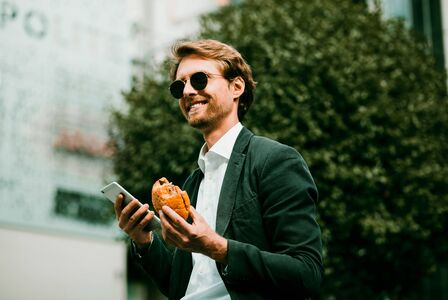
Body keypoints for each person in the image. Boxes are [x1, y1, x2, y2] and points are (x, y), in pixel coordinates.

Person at [114, 39, 323, 300]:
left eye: (200, 79)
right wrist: (144, 240)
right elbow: (181, 286)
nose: (188, 91)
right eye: (180, 86)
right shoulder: (192, 184)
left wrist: (218, 247)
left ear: (236, 87)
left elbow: (306, 273)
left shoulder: (274, 161)